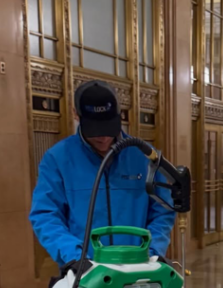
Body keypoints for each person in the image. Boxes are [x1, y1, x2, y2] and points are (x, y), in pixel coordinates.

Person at [30, 80, 175, 272]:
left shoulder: (144, 156)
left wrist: (153, 251)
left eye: (108, 128)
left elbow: (163, 210)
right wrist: (73, 255)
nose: (103, 138)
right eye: (95, 130)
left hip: (138, 267)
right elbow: (45, 215)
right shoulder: (57, 159)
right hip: (85, 270)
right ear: (76, 114)